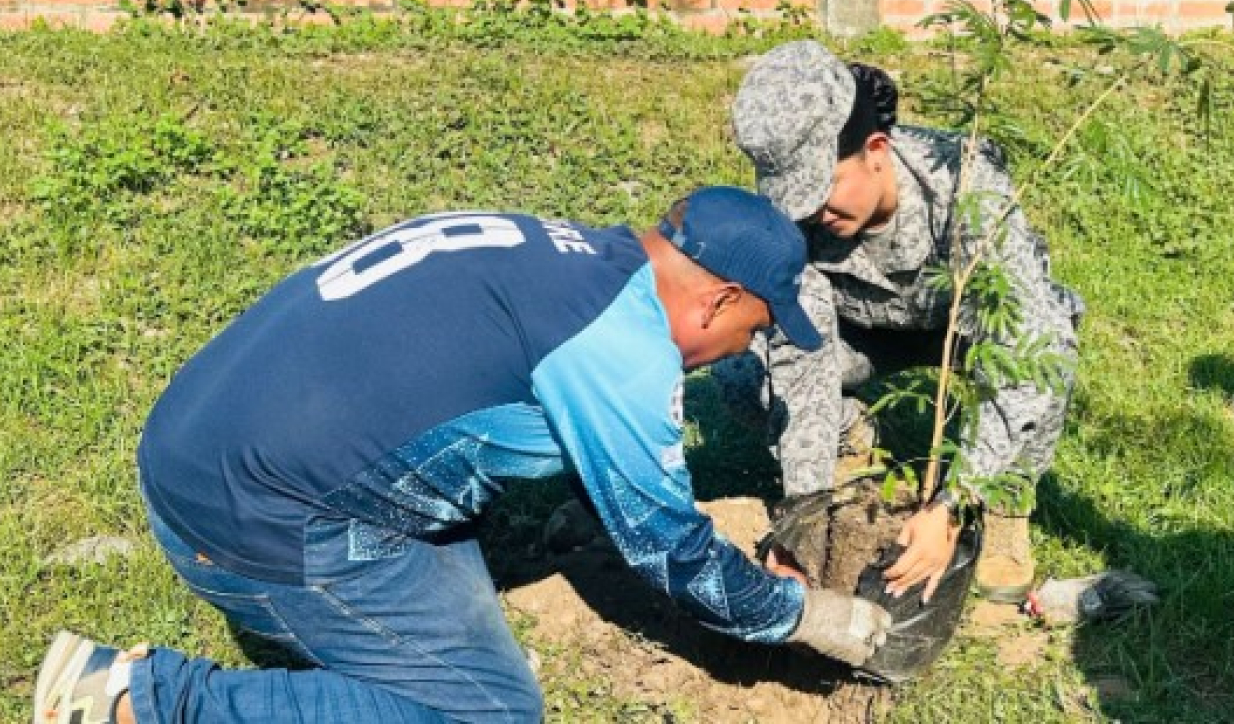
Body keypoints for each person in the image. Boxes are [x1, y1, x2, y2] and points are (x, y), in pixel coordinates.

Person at [34, 186, 892, 724]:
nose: (745, 350)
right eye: (754, 329)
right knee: (487, 711)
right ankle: (140, 700)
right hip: (251, 521)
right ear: (721, 300)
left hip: (198, 432)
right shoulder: (621, 351)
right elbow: (671, 551)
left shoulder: (565, 252)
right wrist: (808, 617)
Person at [717, 40, 1083, 605]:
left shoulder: (964, 190)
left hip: (969, 334)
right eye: (798, 201)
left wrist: (952, 505)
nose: (812, 214)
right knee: (745, 365)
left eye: (823, 191)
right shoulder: (798, 220)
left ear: (877, 150)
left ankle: (1007, 497)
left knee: (1047, 341)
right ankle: (852, 441)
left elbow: (1026, 342)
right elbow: (799, 350)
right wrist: (804, 520)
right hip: (865, 333)